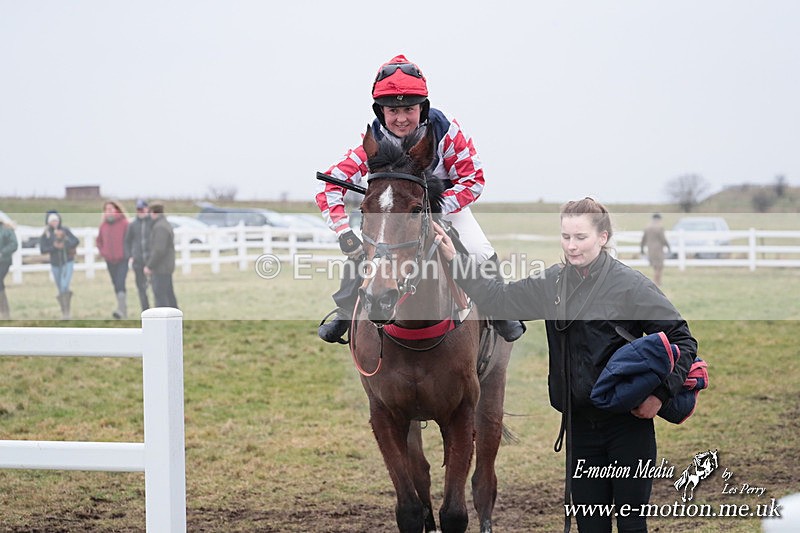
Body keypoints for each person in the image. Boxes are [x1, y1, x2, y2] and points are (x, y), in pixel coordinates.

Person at [435, 197, 697, 533]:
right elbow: (498, 298)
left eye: (581, 238)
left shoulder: (630, 285)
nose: (572, 246)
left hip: (628, 428)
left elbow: (683, 342)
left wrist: (659, 394)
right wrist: (456, 261)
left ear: (602, 237)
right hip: (579, 429)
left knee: (632, 524)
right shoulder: (553, 284)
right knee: (590, 526)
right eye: (566, 237)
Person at [315, 54, 525, 344]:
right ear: (380, 112)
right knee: (367, 251)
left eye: (409, 109)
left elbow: (474, 180)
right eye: (392, 110)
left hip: (447, 209)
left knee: (478, 250)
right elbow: (329, 188)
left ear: (422, 108)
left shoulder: (447, 131)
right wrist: (343, 234)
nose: (401, 118)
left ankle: (501, 311)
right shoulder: (372, 143)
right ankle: (345, 310)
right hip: (395, 216)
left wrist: (434, 209)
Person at [40, 210, 80, 319]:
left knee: (64, 285)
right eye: (52, 221)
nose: (54, 223)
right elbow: (43, 249)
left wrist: (65, 243)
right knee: (60, 288)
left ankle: (66, 313)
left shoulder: (65, 230)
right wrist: (54, 247)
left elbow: (76, 241)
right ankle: (65, 312)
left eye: (56, 220)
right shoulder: (46, 234)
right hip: (55, 264)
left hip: (67, 261)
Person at [97, 200, 130, 319]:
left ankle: (121, 310)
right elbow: (99, 241)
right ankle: (123, 308)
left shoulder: (125, 223)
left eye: (111, 209)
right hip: (110, 260)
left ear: (116, 209)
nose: (109, 211)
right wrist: (103, 252)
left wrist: (127, 253)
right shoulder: (103, 226)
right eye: (106, 209)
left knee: (121, 282)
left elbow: (130, 239)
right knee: (116, 284)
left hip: (122, 259)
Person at [144, 202, 178, 308]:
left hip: (161, 268)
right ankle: (175, 320)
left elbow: (159, 250)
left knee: (161, 297)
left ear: (154, 212)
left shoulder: (160, 227)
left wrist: (149, 266)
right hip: (165, 267)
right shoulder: (164, 224)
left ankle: (163, 321)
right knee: (168, 295)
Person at [125, 199, 153, 313]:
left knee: (155, 287)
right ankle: (145, 310)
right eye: (138, 209)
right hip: (138, 261)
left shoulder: (152, 223)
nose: (140, 211)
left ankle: (157, 311)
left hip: (152, 261)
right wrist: (130, 255)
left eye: (142, 209)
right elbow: (127, 241)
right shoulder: (133, 225)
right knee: (141, 288)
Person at [640, 213, 670, 286]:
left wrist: (642, 248)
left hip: (650, 249)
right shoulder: (660, 228)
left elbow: (643, 239)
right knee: (659, 266)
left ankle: (657, 281)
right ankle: (656, 282)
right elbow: (663, 239)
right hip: (659, 249)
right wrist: (668, 246)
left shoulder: (647, 227)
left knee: (655, 266)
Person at [0, 213, 19, 320]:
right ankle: (5, 313)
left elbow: (14, 244)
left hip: (3, 261)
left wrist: (2, 252)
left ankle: (5, 312)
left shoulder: (6, 230)